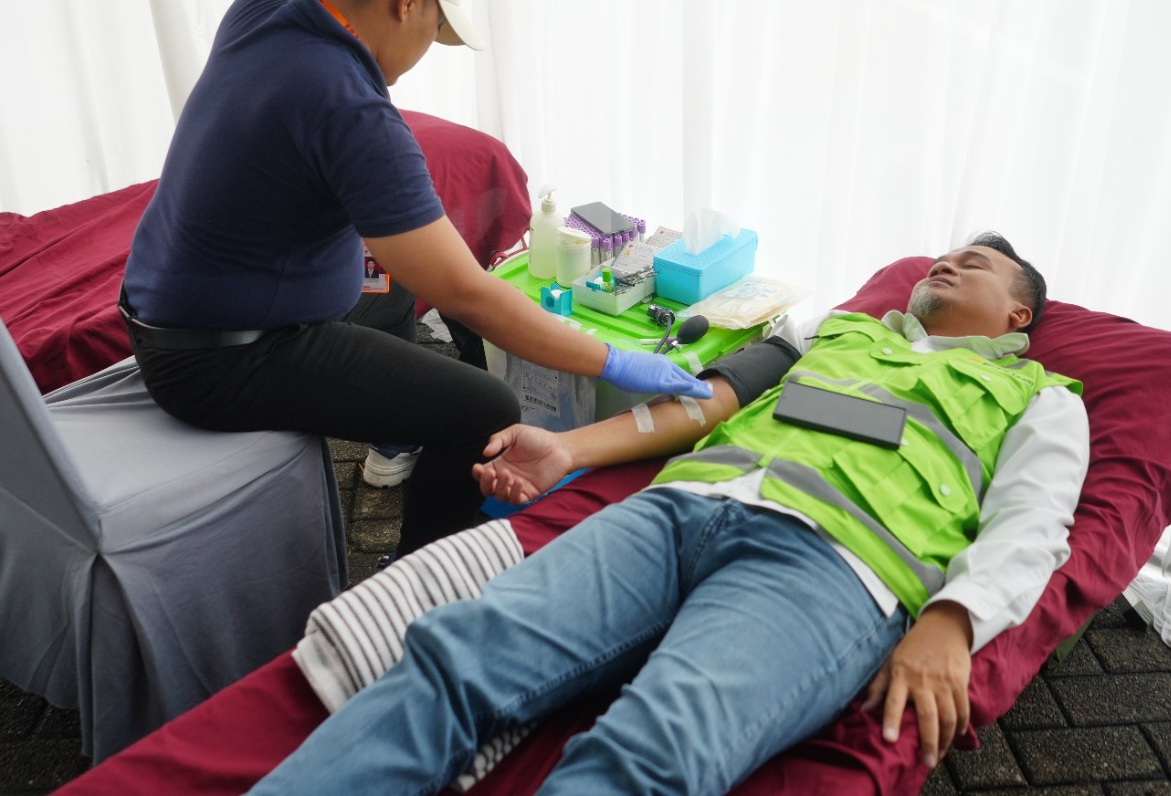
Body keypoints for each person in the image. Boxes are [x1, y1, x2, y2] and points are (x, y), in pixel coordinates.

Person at [249, 233, 1090, 796]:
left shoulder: (1040, 399)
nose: (946, 264)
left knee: (647, 754)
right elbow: (708, 402)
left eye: (975, 264)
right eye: (943, 256)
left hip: (833, 565)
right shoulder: (837, 334)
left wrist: (953, 619)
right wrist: (568, 450)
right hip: (676, 511)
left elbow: (1033, 523)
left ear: (1018, 315)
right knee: (456, 657)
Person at [119, 0, 709, 560]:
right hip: (219, 362)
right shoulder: (351, 109)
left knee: (395, 287)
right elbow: (468, 293)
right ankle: (419, 580)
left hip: (164, 308)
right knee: (482, 408)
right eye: (435, 27)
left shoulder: (268, 2)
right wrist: (613, 361)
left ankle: (394, 439)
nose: (428, 49)